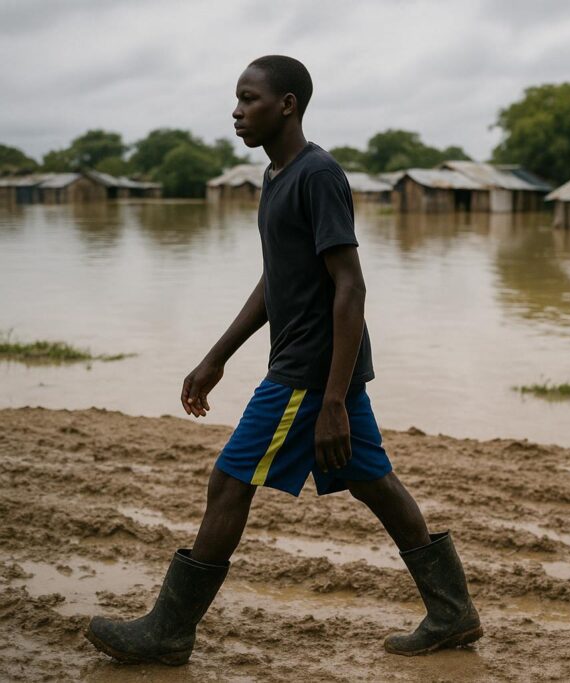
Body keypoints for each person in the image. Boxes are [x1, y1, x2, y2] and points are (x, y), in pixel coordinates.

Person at [84, 55, 481, 666]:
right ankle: (453, 613)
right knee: (372, 481)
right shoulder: (276, 177)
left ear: (287, 104)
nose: (236, 111)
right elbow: (277, 280)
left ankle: (169, 630)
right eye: (237, 99)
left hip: (308, 372)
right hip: (321, 370)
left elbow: (350, 285)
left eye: (250, 99)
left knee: (230, 482)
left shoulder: (318, 175)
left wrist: (331, 400)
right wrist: (216, 356)